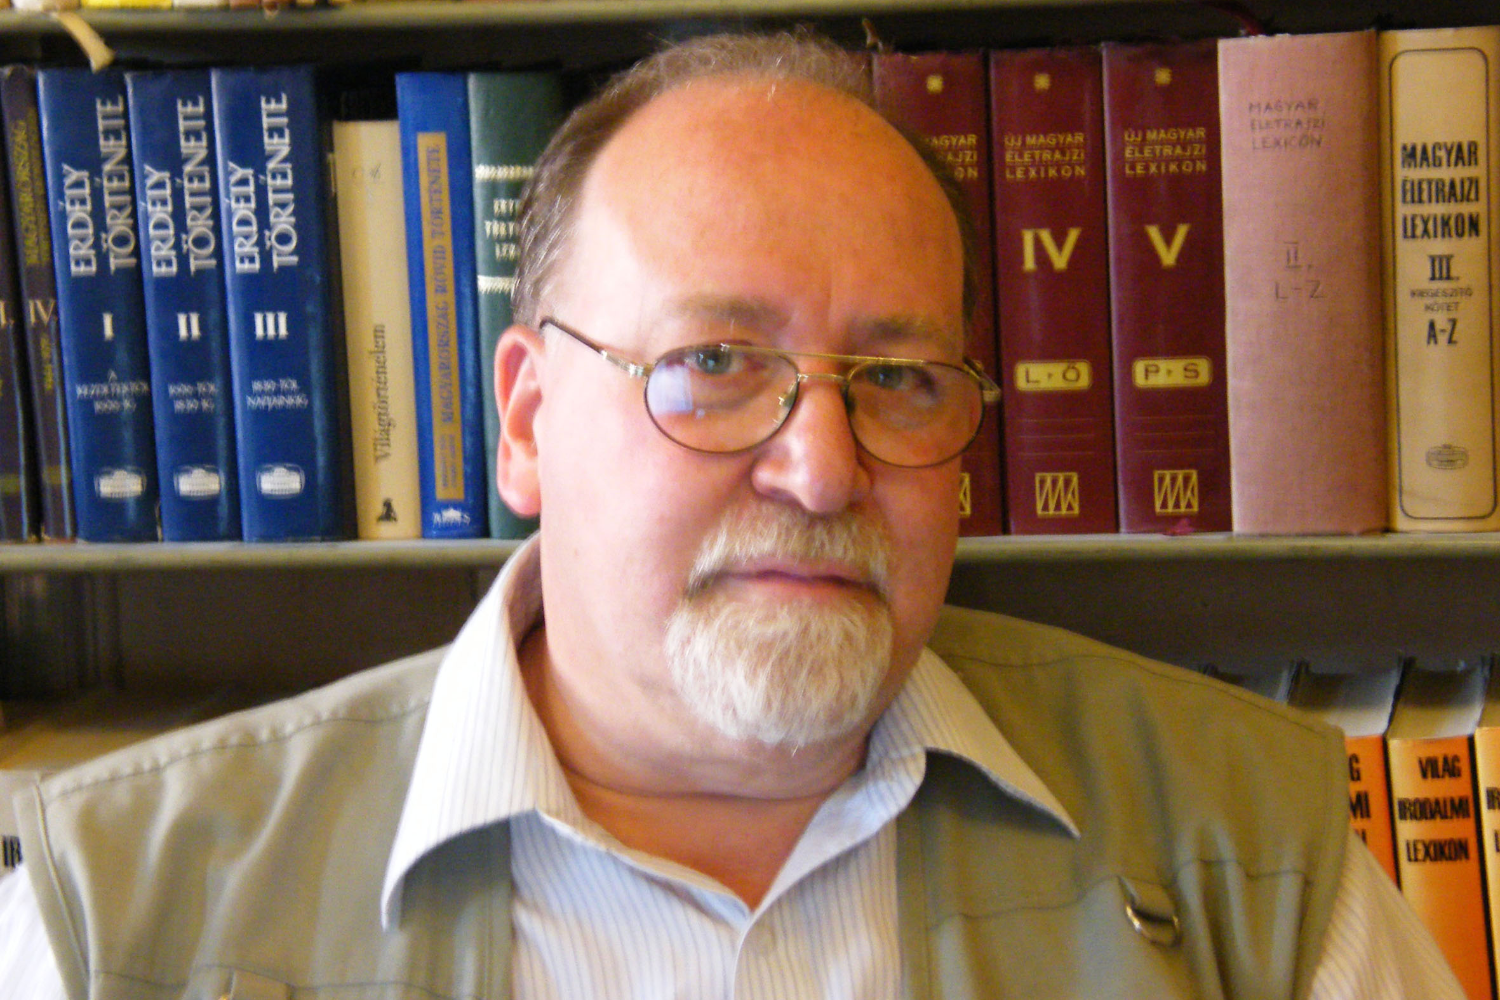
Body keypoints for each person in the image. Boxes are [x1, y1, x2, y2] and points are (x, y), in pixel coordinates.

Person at [0, 31, 1466, 1000]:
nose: (822, 470)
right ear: (527, 423)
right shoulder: (120, 919)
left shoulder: (1252, 855)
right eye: (712, 365)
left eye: (899, 379)